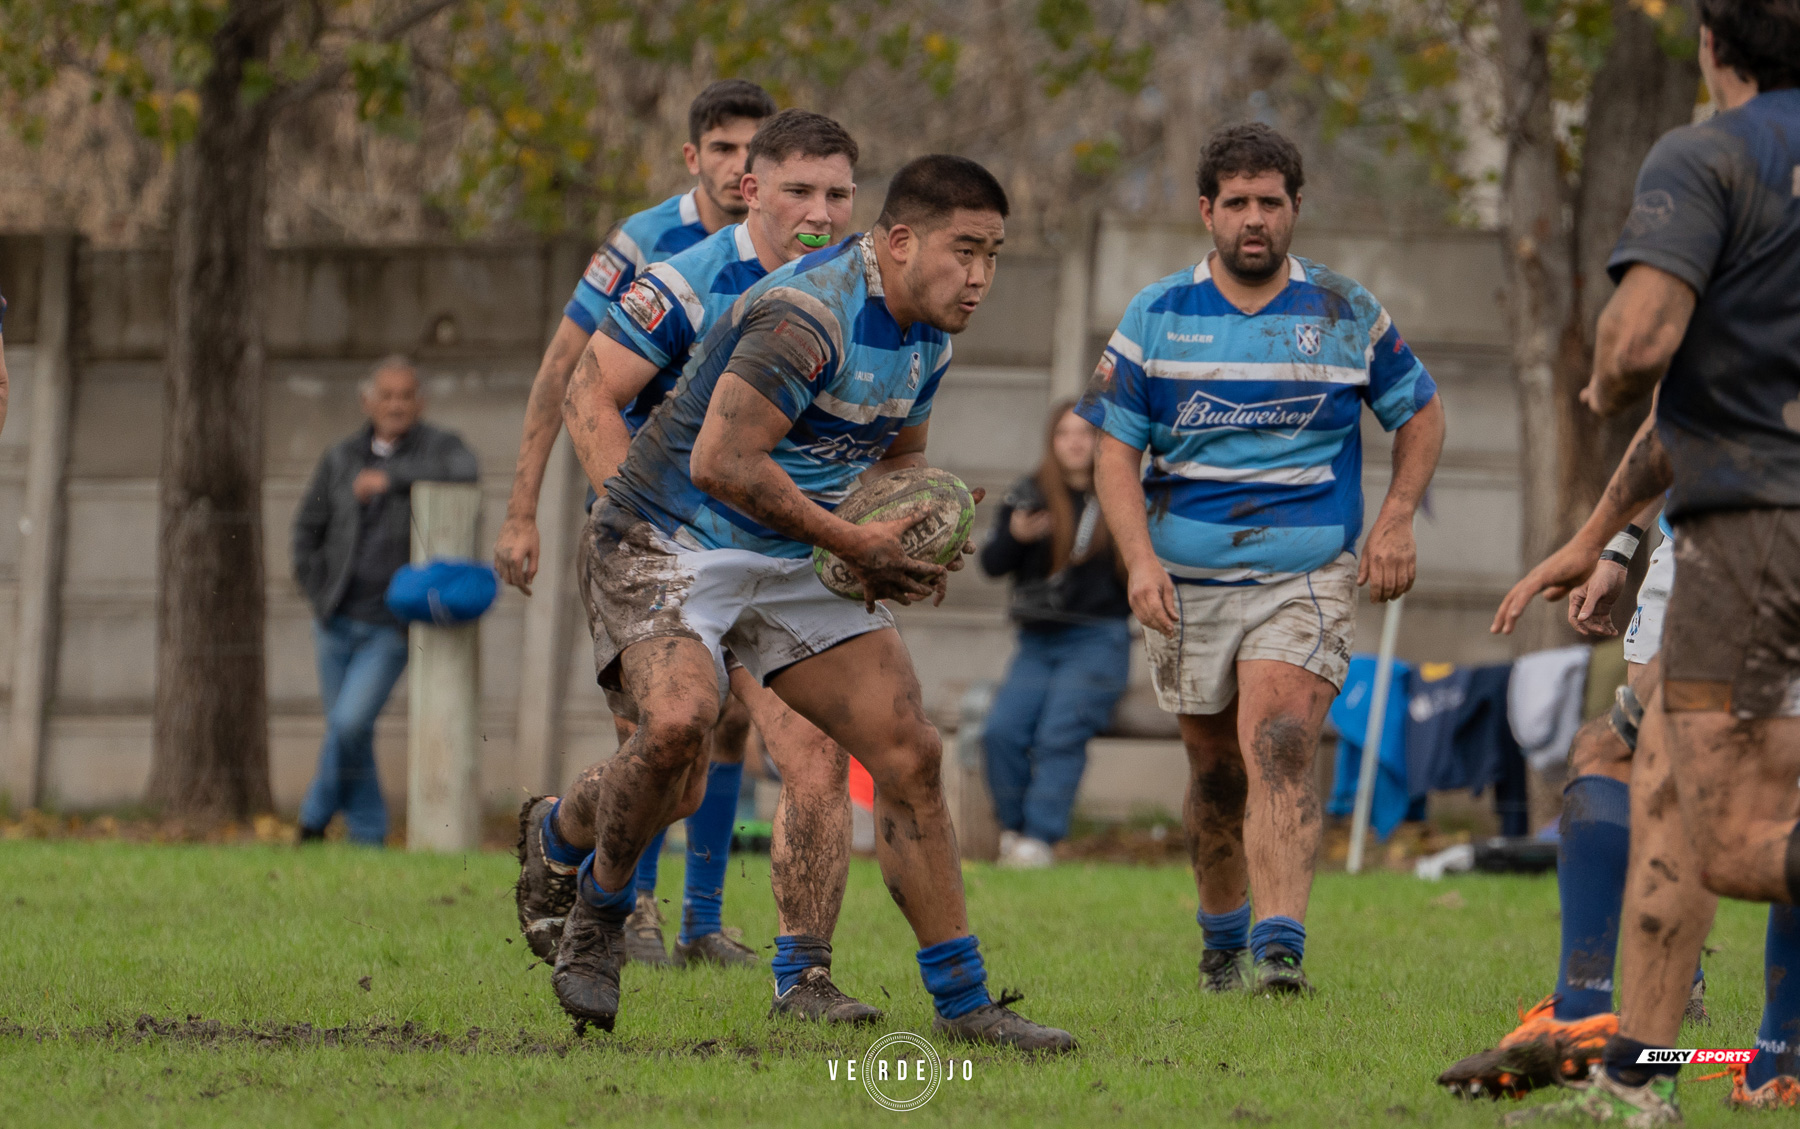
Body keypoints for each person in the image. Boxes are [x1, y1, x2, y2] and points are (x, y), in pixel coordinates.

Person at [550, 153, 1074, 1050]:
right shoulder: (809, 314)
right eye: (967, 251)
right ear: (901, 240)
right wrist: (849, 541)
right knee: (679, 730)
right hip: (668, 538)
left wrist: (910, 535)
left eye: (994, 254)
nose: (982, 276)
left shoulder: (929, 334)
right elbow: (721, 462)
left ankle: (965, 1002)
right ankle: (596, 909)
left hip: (792, 549)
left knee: (909, 752)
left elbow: (895, 463)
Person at [1505, 0, 1800, 1119]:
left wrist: (1604, 377)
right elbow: (1695, 404)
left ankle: (1756, 1050)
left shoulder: (1712, 154)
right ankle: (1638, 1076)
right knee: (1660, 789)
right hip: (1734, 517)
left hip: (1761, 531)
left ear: (1710, 46)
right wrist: (1600, 537)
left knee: (1726, 828)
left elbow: (1641, 347)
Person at [1082, 122, 1445, 997]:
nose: (1254, 219)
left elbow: (1421, 414)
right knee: (1215, 771)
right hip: (1185, 578)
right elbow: (1112, 455)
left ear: (1294, 210)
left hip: (1306, 570)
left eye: (1270, 203)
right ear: (1207, 211)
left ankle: (1281, 952)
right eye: (1236, 203)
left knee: (1281, 739)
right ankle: (1222, 940)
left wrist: (1394, 520)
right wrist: (1137, 563)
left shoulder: (1345, 312)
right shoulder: (1156, 315)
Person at [554, 109, 878, 1021]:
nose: (821, 212)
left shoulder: (863, 292)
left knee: (814, 751)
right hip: (673, 556)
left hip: (782, 562)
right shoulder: (688, 281)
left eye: (838, 194)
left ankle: (803, 977)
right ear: (751, 190)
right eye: (800, 192)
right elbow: (588, 388)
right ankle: (574, 856)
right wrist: (649, 528)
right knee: (674, 756)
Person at [504, 80, 776, 970]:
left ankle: (701, 921)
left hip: (735, 523)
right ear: (694, 156)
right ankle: (638, 904)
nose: (742, 166)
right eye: (725, 148)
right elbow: (563, 371)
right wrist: (521, 510)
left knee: (731, 721)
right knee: (656, 729)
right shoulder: (646, 242)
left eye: (755, 149)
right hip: (642, 522)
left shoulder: (792, 245)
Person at [1438, 414, 1715, 1099]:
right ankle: (1760, 1050)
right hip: (1692, 541)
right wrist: (1619, 547)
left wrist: (1592, 539)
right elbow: (1673, 419)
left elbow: (1659, 387)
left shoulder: (1724, 309)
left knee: (1614, 754)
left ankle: (1586, 1012)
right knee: (1655, 773)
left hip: (1738, 551)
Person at [291, 358, 479, 844]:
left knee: (350, 723)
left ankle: (312, 820)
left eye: (405, 395)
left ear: (420, 401)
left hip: (388, 626)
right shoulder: (340, 457)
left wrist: (390, 479)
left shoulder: (440, 447)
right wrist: (316, 591)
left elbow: (465, 472)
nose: (396, 405)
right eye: (387, 395)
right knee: (348, 732)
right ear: (367, 402)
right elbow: (305, 530)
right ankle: (369, 834)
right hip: (334, 619)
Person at [978, 400, 1130, 868]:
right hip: (1037, 642)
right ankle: (1014, 830)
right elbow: (989, 565)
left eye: (1085, 433)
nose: (1076, 442)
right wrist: (1015, 538)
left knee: (1059, 733)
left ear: (1101, 441)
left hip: (1098, 639)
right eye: (1065, 433)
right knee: (1000, 731)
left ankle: (1040, 839)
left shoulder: (1122, 494)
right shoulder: (1028, 494)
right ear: (1052, 440)